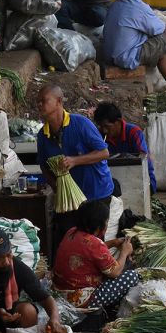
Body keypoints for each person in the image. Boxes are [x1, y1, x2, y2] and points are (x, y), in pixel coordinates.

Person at [36, 84, 114, 254]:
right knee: (70, 242)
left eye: (44, 101)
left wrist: (75, 161)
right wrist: (56, 188)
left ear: (58, 101)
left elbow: (104, 152)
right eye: (38, 102)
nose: (40, 105)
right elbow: (44, 165)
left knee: (94, 243)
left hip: (96, 194)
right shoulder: (42, 136)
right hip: (69, 200)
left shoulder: (81, 124)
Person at [52, 198, 138, 322]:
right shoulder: (95, 245)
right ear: (99, 226)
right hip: (79, 300)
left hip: (60, 292)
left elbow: (89, 250)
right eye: (106, 221)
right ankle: (106, 311)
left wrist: (113, 243)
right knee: (131, 276)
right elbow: (115, 272)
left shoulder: (71, 232)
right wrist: (125, 252)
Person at [94, 102, 156, 193]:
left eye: (107, 126)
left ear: (118, 122)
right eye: (101, 127)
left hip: (138, 179)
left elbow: (144, 160)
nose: (104, 130)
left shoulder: (133, 132)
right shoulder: (100, 135)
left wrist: (148, 184)